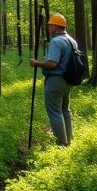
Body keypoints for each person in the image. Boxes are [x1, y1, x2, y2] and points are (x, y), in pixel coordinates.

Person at [30, 13, 78, 146]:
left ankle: (61, 144)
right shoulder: (71, 40)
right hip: (68, 81)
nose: (49, 28)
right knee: (65, 111)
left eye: (50, 25)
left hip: (56, 81)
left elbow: (52, 63)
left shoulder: (56, 41)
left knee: (55, 112)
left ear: (56, 26)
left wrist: (37, 63)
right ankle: (69, 140)